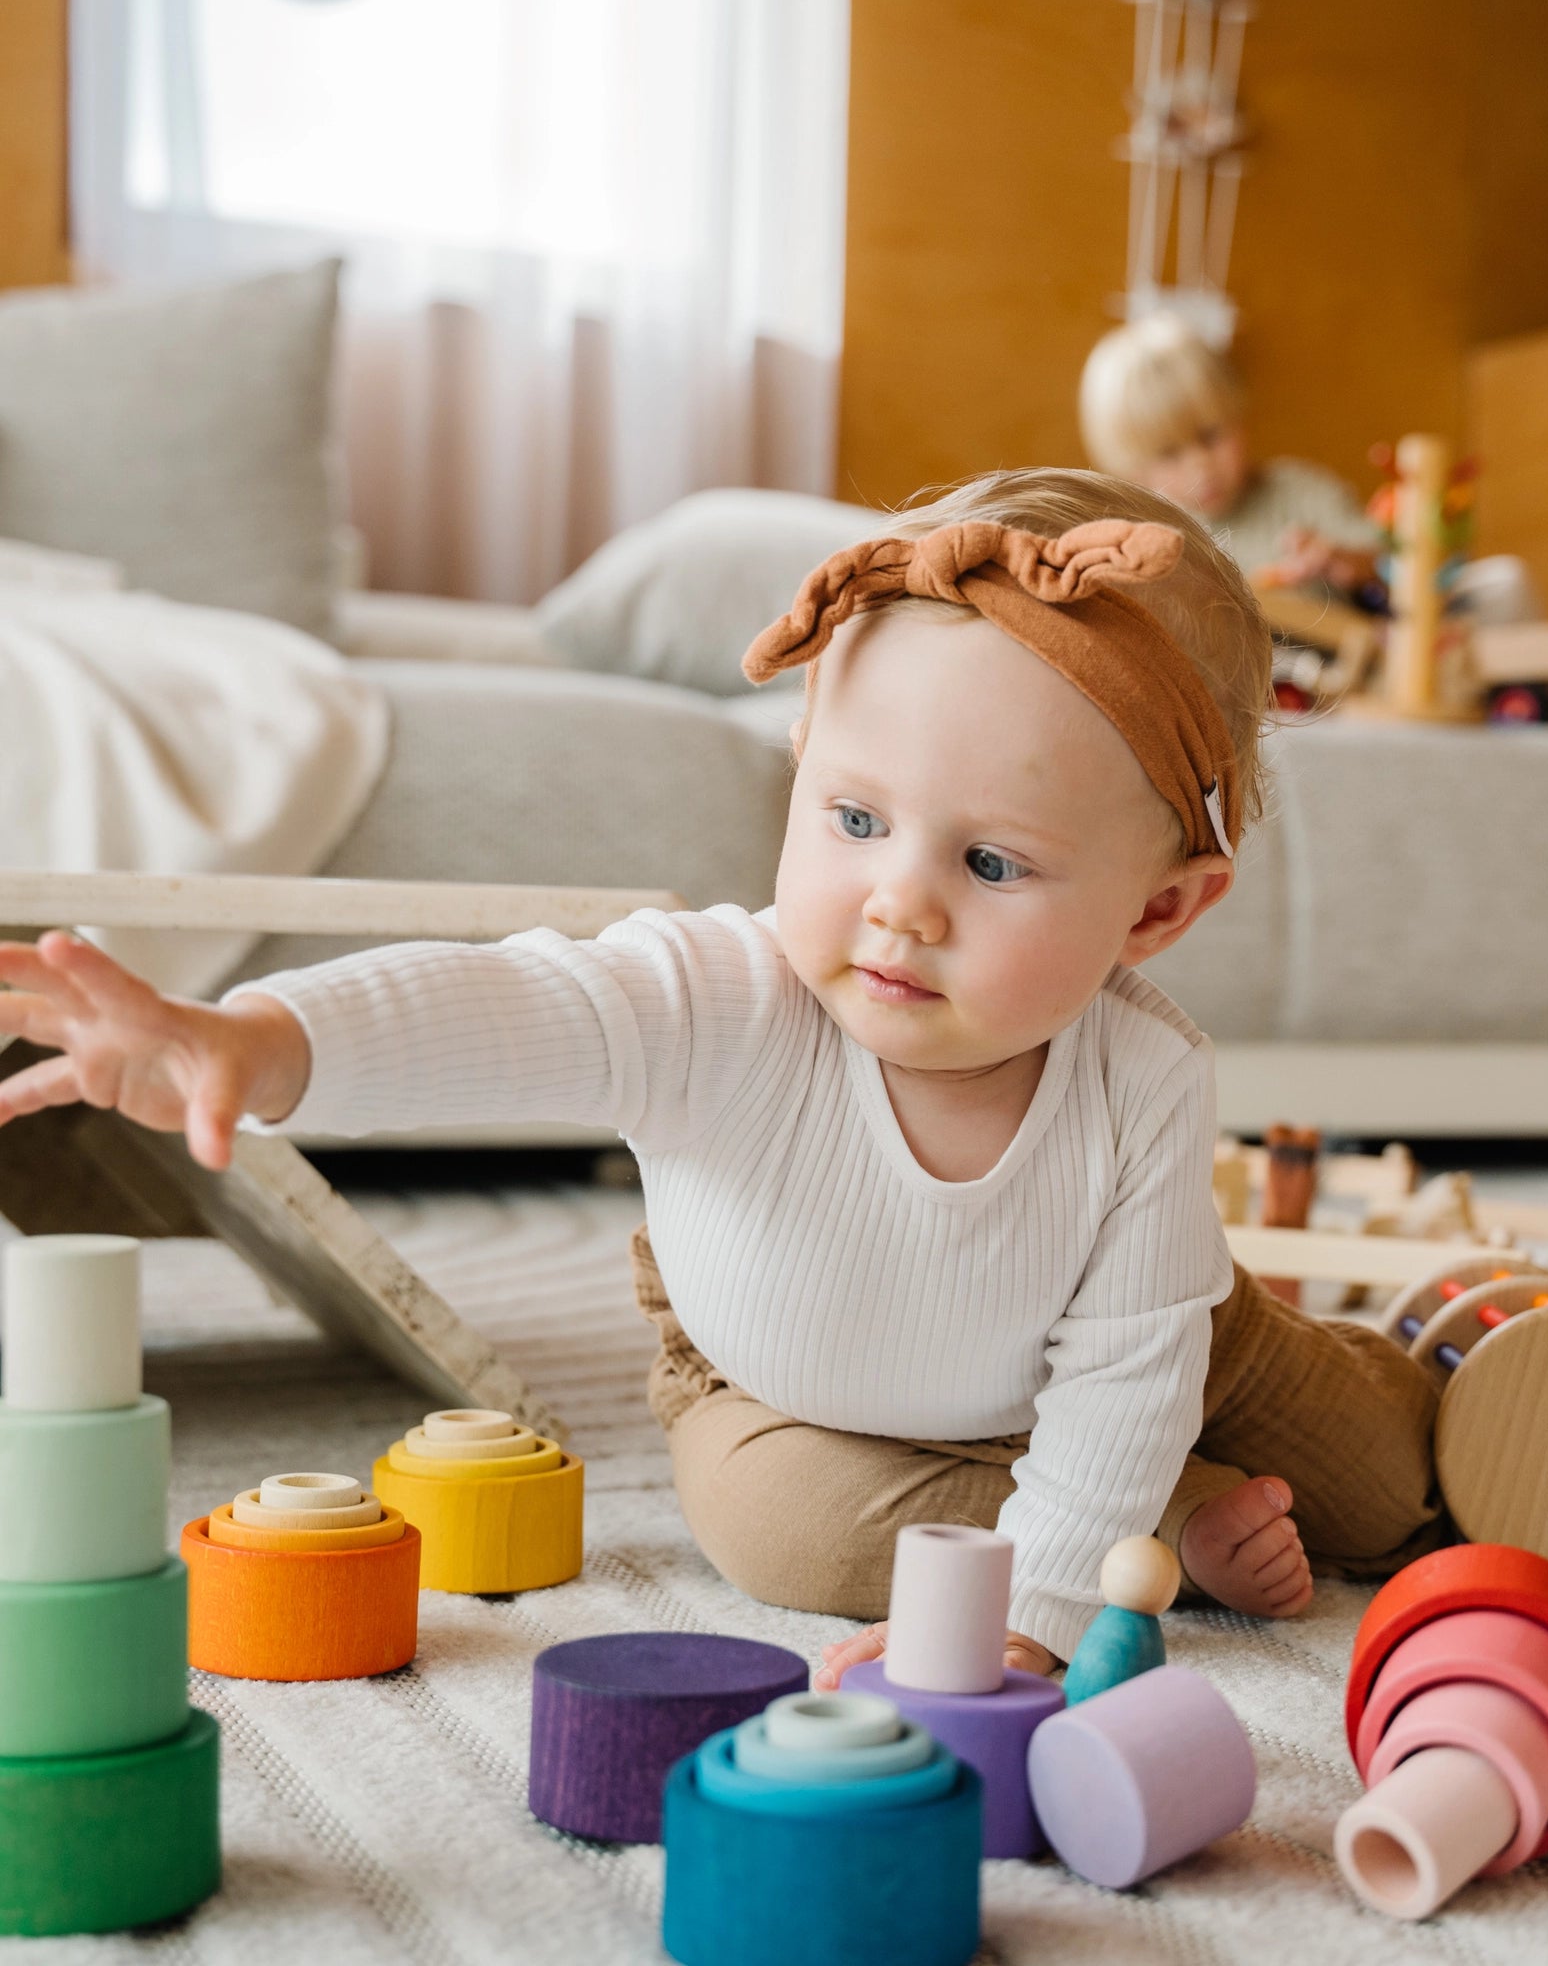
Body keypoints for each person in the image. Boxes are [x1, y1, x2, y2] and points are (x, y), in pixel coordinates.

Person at [0, 468, 1438, 1685]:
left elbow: (1132, 1368)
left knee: (1385, 1480)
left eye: (990, 863)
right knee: (786, 1534)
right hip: (794, 1394)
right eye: (857, 818)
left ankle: (1449, 1372)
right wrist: (257, 1043)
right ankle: (1160, 1521)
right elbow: (500, 1004)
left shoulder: (1140, 1076)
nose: (901, 903)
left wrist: (1077, 1557)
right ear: (802, 762)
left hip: (1144, 1336)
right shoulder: (717, 999)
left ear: (1157, 912)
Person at [1079, 313, 1384, 594]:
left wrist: (1346, 561)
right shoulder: (1142, 540)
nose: (1201, 467)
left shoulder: (1303, 495)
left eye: (1210, 436)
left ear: (1239, 416)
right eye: (1169, 454)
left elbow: (1391, 564)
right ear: (1135, 469)